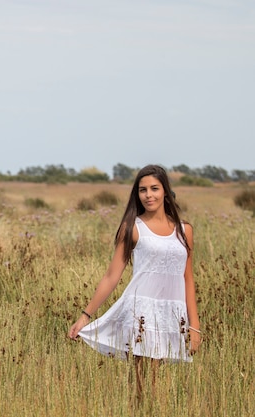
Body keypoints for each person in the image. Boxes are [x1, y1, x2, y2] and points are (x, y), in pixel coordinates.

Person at [67, 164, 201, 403]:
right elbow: (111, 276)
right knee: (143, 381)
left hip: (172, 313)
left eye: (154, 188)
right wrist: (86, 315)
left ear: (166, 192)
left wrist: (194, 326)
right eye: (142, 190)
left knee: (160, 382)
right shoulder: (133, 228)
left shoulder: (185, 230)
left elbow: (188, 278)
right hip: (141, 311)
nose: (148, 195)